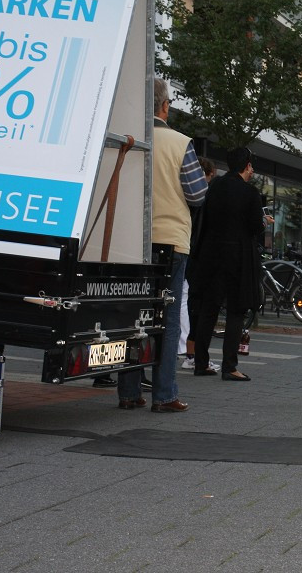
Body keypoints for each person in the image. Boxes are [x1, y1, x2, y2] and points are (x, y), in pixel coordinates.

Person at [117, 78, 208, 412]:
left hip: (127, 241)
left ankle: (128, 393)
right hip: (170, 240)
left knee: (133, 317)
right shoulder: (179, 142)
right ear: (165, 106)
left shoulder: (127, 139)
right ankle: (164, 395)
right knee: (167, 320)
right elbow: (198, 194)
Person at [191, 147, 271, 383]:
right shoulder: (250, 193)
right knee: (236, 310)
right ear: (246, 166)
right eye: (251, 166)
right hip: (238, 257)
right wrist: (264, 222)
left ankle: (200, 363)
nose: (252, 170)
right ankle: (229, 366)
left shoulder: (213, 187)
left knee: (209, 309)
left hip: (211, 255)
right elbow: (255, 227)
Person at [180, 157, 220, 374]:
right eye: (210, 175)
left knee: (188, 305)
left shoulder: (189, 197)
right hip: (195, 256)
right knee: (192, 306)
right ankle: (192, 355)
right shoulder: (202, 198)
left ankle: (190, 354)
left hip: (189, 252)